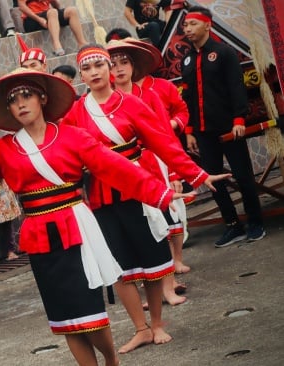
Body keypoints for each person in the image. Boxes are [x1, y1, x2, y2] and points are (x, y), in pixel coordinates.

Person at [0, 68, 196, 366]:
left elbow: (117, 167)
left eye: (27, 95)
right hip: (39, 235)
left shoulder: (71, 136)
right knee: (64, 317)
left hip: (76, 227)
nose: (21, 103)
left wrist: (162, 193)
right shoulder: (3, 149)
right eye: (13, 100)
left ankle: (111, 360)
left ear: (42, 98)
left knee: (89, 310)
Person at [62, 44, 229, 354]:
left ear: (109, 68)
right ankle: (140, 328)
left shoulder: (131, 103)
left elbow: (164, 143)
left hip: (138, 187)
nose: (95, 72)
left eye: (100, 65)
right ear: (81, 74)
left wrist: (198, 175)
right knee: (119, 267)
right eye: (88, 68)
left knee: (152, 261)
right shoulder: (74, 113)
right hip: (100, 195)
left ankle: (157, 325)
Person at [106, 39, 186, 306]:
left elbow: (167, 139)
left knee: (161, 226)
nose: (118, 69)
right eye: (113, 64)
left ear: (133, 66)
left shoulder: (149, 95)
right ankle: (145, 289)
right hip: (119, 176)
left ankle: (168, 286)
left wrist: (174, 175)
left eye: (124, 62)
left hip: (152, 168)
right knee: (135, 231)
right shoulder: (99, 104)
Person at [181, 5, 266, 247]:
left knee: (243, 176)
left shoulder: (224, 52)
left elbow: (236, 87)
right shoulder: (186, 59)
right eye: (185, 25)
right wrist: (189, 131)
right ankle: (232, 225)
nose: (187, 28)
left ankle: (255, 222)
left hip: (229, 127)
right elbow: (186, 98)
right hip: (202, 131)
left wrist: (239, 119)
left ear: (207, 24)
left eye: (192, 24)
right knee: (213, 180)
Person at [17, 0, 87, 56]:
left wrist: (59, 13)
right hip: (31, 19)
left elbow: (56, 6)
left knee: (72, 10)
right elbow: (22, 7)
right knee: (52, 12)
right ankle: (57, 46)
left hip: (48, 14)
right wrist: (39, 19)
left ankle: (82, 44)